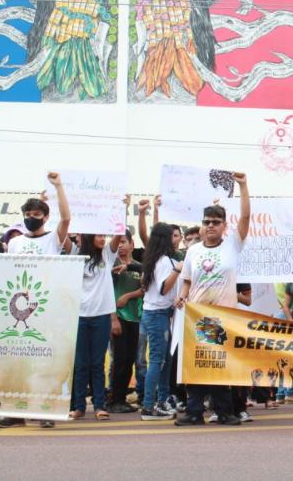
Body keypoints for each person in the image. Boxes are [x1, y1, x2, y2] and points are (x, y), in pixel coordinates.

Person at [174, 172, 250, 426]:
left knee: (219, 367)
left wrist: (243, 186)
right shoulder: (193, 251)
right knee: (196, 367)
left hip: (223, 318)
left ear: (224, 226)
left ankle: (225, 412)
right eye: (207, 221)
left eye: (216, 222)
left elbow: (247, 217)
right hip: (198, 317)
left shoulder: (232, 245)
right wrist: (182, 298)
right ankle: (194, 412)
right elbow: (186, 280)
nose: (211, 226)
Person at [0, 172, 70, 429]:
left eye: (36, 215)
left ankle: (45, 411)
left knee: (45, 361)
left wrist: (58, 186)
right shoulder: (15, 243)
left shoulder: (53, 240)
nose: (31, 218)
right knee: (18, 360)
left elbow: (67, 218)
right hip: (17, 312)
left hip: (46, 311)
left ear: (46, 217)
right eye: (27, 214)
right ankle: (14, 411)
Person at [70, 202, 128, 421]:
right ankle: (78, 407)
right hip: (79, 316)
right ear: (87, 237)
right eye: (98, 235)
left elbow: (117, 232)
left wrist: (123, 208)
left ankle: (100, 406)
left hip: (101, 317)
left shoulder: (107, 255)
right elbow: (62, 230)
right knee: (81, 363)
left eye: (104, 235)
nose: (103, 239)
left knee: (97, 363)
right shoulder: (76, 254)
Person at [138, 223, 183, 421]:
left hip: (158, 314)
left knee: (166, 359)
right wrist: (178, 270)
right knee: (158, 360)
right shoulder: (164, 261)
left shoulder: (153, 259)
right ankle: (149, 406)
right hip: (157, 314)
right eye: (172, 236)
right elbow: (164, 288)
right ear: (165, 239)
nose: (176, 239)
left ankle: (162, 401)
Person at [108, 230, 144, 413]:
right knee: (120, 359)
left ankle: (121, 399)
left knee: (130, 359)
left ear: (132, 244)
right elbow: (105, 292)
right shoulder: (111, 264)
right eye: (118, 242)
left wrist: (129, 296)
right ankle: (114, 399)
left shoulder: (138, 266)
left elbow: (146, 288)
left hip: (135, 318)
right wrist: (113, 318)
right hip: (117, 318)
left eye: (123, 242)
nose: (120, 245)